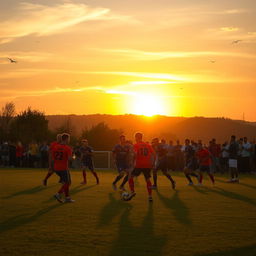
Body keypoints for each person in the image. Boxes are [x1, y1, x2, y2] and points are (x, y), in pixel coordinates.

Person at [127, 132, 155, 202]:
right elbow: (154, 154)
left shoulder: (135, 145)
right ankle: (150, 196)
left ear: (136, 137)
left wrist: (132, 161)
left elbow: (135, 154)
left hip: (139, 165)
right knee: (148, 180)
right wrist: (153, 163)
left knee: (130, 177)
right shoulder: (148, 145)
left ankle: (132, 191)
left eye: (135, 137)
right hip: (147, 165)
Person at [52, 133, 74, 203]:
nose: (69, 140)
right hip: (63, 168)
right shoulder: (68, 148)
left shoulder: (55, 147)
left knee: (65, 182)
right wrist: (73, 156)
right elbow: (70, 159)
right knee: (68, 182)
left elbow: (53, 157)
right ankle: (58, 194)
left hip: (56, 168)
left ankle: (67, 197)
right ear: (66, 139)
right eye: (69, 139)